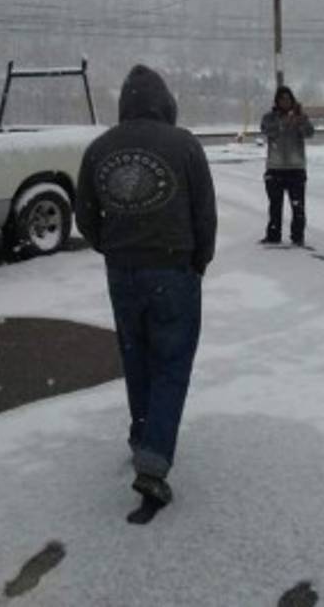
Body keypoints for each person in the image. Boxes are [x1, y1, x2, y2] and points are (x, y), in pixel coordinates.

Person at [75, 64, 217, 519]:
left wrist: (114, 248)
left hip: (123, 272)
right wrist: (199, 260)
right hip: (173, 270)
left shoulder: (99, 148)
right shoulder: (185, 145)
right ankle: (153, 464)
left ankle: (141, 437)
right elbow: (204, 213)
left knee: (137, 357)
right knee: (171, 364)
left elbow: (85, 215)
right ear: (165, 103)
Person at [260, 85, 314, 246]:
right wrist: (283, 123)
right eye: (282, 99)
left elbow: (310, 133)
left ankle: (298, 236)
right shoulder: (269, 117)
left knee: (298, 206)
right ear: (277, 101)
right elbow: (266, 131)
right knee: (275, 205)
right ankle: (273, 235)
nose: (285, 102)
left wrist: (300, 122)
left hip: (296, 168)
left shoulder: (301, 117)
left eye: (288, 99)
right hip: (275, 168)